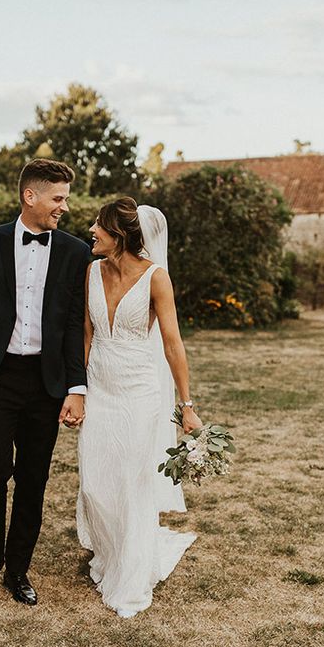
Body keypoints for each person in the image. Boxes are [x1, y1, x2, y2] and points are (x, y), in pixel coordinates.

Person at [0, 159, 91, 606]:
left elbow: (72, 326)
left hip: (45, 382)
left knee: (33, 477)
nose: (64, 206)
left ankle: (18, 568)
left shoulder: (74, 251)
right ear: (31, 196)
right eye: (58, 197)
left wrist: (76, 387)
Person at [76, 197, 199, 617]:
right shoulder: (91, 271)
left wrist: (187, 404)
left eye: (99, 225)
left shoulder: (156, 278)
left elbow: (172, 343)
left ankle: (129, 572)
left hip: (139, 392)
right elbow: (87, 335)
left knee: (130, 481)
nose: (91, 230)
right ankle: (110, 555)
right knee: (95, 481)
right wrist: (77, 388)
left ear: (120, 235)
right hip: (99, 389)